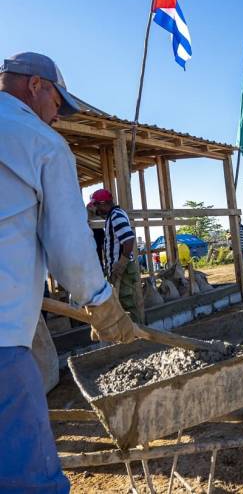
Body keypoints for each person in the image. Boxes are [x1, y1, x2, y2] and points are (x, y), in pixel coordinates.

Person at [0, 52, 139, 492]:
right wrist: (99, 301)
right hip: (2, 337)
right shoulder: (38, 141)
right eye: (59, 105)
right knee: (30, 475)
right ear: (36, 86)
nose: (58, 118)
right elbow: (68, 243)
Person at [89, 189, 143, 324]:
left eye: (96, 206)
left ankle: (137, 333)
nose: (96, 210)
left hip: (122, 267)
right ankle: (131, 333)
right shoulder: (112, 216)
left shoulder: (115, 216)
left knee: (127, 302)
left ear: (103, 203)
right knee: (121, 302)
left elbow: (129, 240)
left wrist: (121, 263)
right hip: (118, 267)